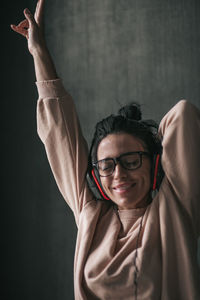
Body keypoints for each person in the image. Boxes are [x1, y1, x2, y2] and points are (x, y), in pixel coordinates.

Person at [11, 1, 200, 299]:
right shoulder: (92, 216)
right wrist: (39, 51)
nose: (119, 174)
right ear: (97, 175)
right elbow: (59, 135)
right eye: (107, 165)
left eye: (131, 160)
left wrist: (159, 154)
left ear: (153, 163)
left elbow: (184, 115)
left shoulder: (174, 210)